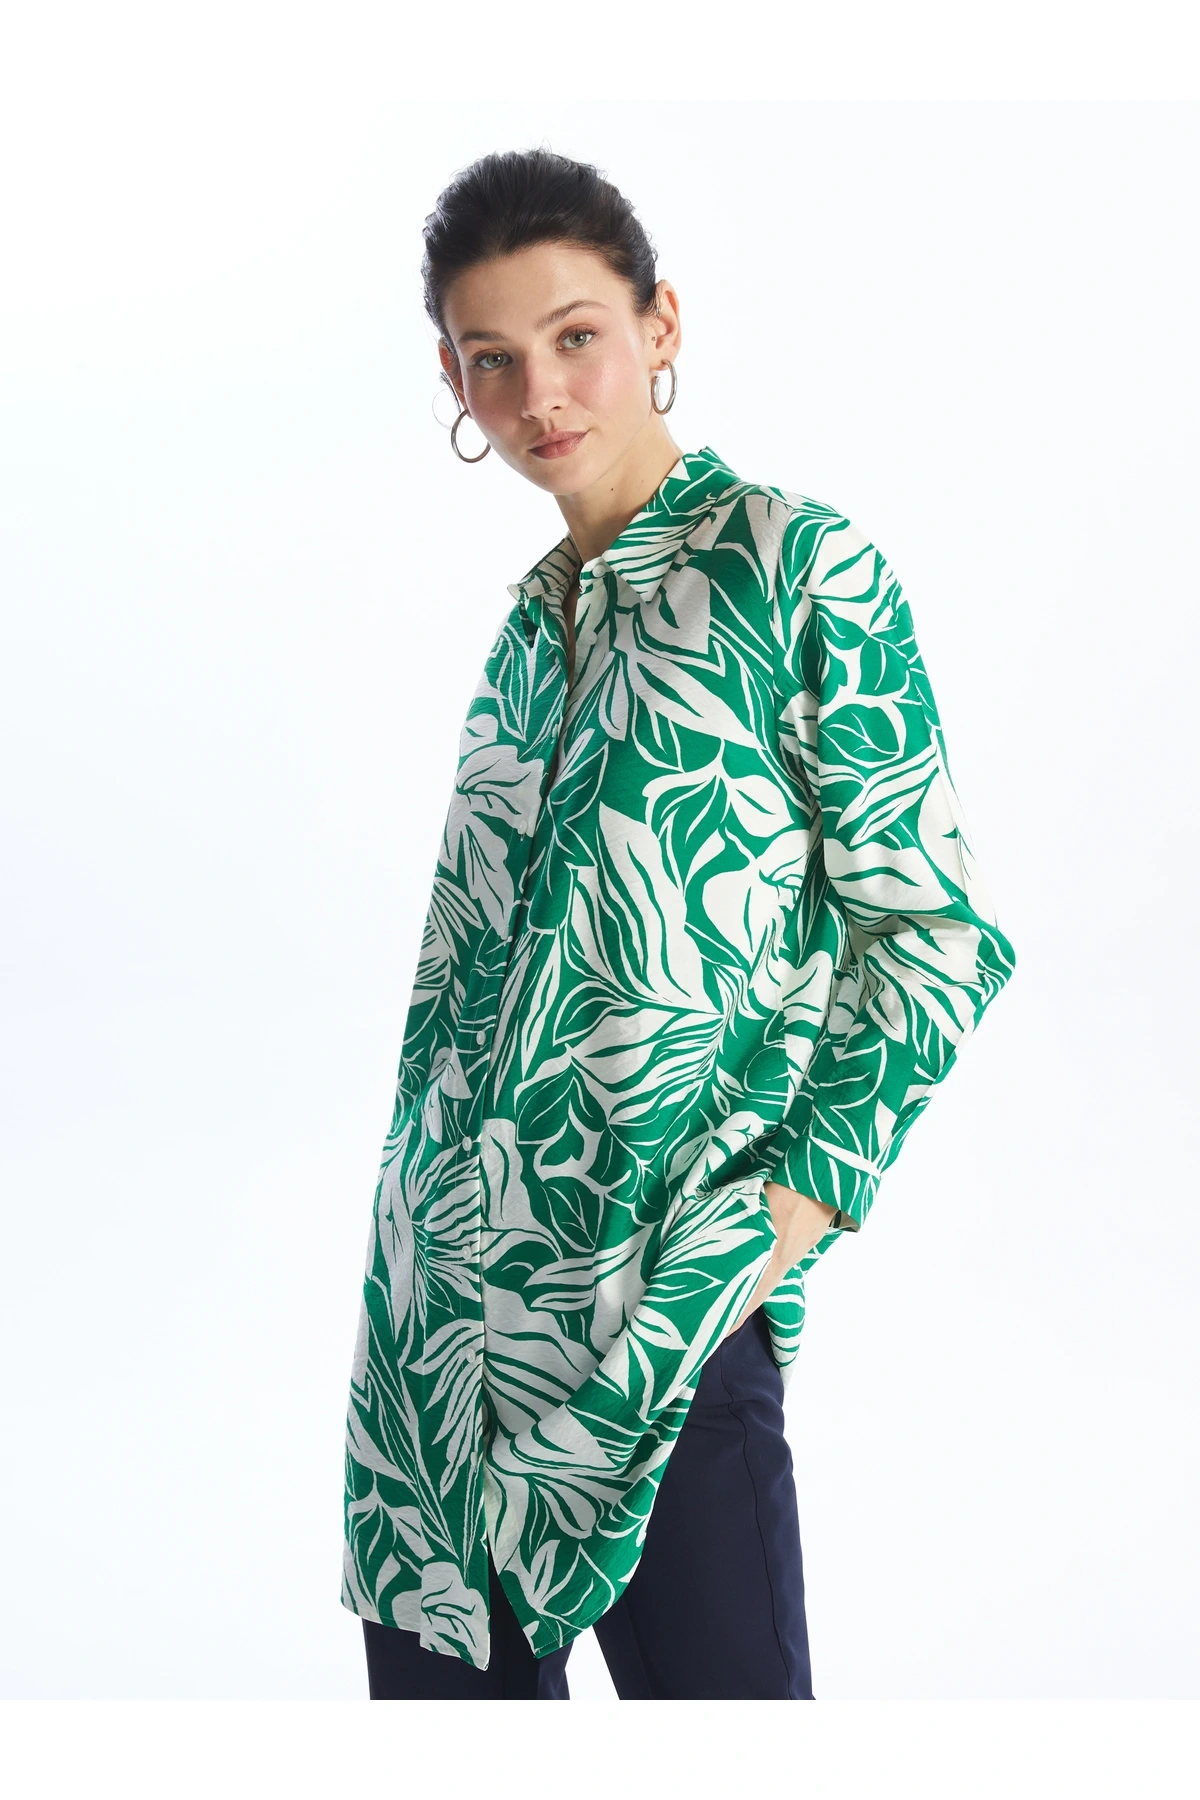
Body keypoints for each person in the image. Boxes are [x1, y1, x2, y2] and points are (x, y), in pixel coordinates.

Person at [340, 148, 1016, 1701]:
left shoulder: (795, 565)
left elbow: (933, 933)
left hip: (663, 1312)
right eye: (492, 359)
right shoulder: (527, 631)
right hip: (438, 1344)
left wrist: (784, 1217)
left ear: (661, 325)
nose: (539, 395)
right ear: (453, 381)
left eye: (575, 335)